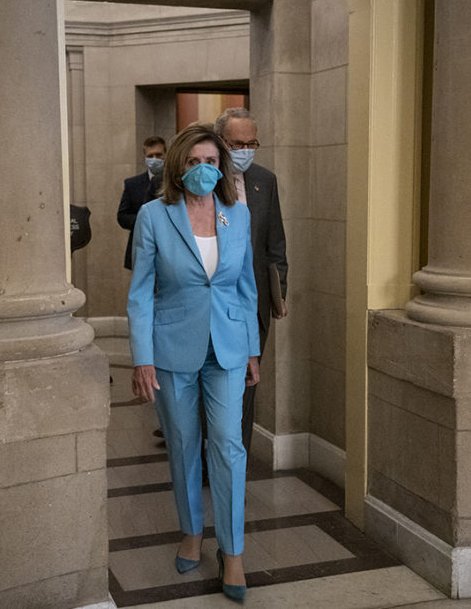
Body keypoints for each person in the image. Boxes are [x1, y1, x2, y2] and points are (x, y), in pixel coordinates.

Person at [128, 124, 259, 603]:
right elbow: (141, 292)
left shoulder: (237, 214)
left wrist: (252, 348)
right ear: (178, 165)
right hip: (172, 347)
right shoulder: (153, 215)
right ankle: (191, 531)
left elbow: (245, 286)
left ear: (220, 167)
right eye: (194, 161)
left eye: (211, 162)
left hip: (227, 346)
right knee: (183, 444)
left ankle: (233, 551)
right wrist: (142, 358)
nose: (204, 169)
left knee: (227, 444)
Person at [214, 107, 289, 463]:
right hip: (213, 303)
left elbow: (275, 243)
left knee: (245, 389)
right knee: (211, 388)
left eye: (251, 143)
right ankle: (207, 464)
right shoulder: (203, 178)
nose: (245, 150)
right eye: (236, 144)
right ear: (220, 142)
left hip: (253, 305)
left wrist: (277, 295)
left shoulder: (264, 180)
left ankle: (235, 466)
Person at [117, 135, 166, 270]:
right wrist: (144, 221)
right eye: (150, 156)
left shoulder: (172, 181)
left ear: (165, 155)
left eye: (158, 155)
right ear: (144, 157)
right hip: (141, 247)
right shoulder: (132, 184)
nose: (154, 159)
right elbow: (122, 216)